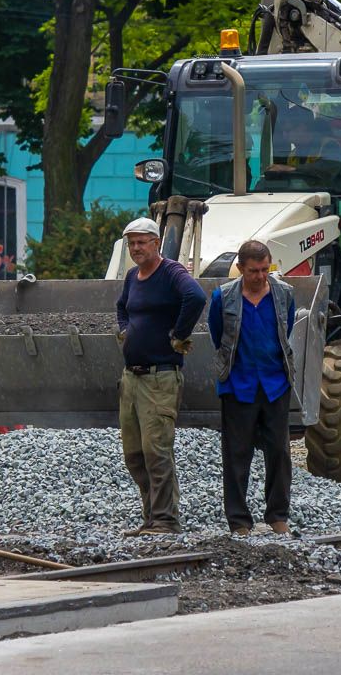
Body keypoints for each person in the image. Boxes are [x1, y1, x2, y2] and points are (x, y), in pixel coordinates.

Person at [115, 217, 207, 536]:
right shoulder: (132, 276)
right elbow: (121, 307)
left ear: (156, 243)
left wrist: (178, 334)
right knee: (134, 454)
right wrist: (125, 330)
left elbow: (196, 297)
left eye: (141, 242)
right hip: (132, 378)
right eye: (132, 243)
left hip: (160, 377)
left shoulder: (171, 273)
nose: (136, 248)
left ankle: (166, 520)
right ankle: (151, 518)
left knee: (156, 450)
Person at [207, 239, 296, 535]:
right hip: (239, 383)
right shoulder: (224, 298)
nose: (260, 276)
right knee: (236, 453)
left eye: (265, 269)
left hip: (275, 382)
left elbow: (287, 328)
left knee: (280, 452)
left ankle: (277, 514)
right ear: (241, 269)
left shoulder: (284, 294)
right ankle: (239, 519)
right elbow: (218, 334)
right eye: (254, 271)